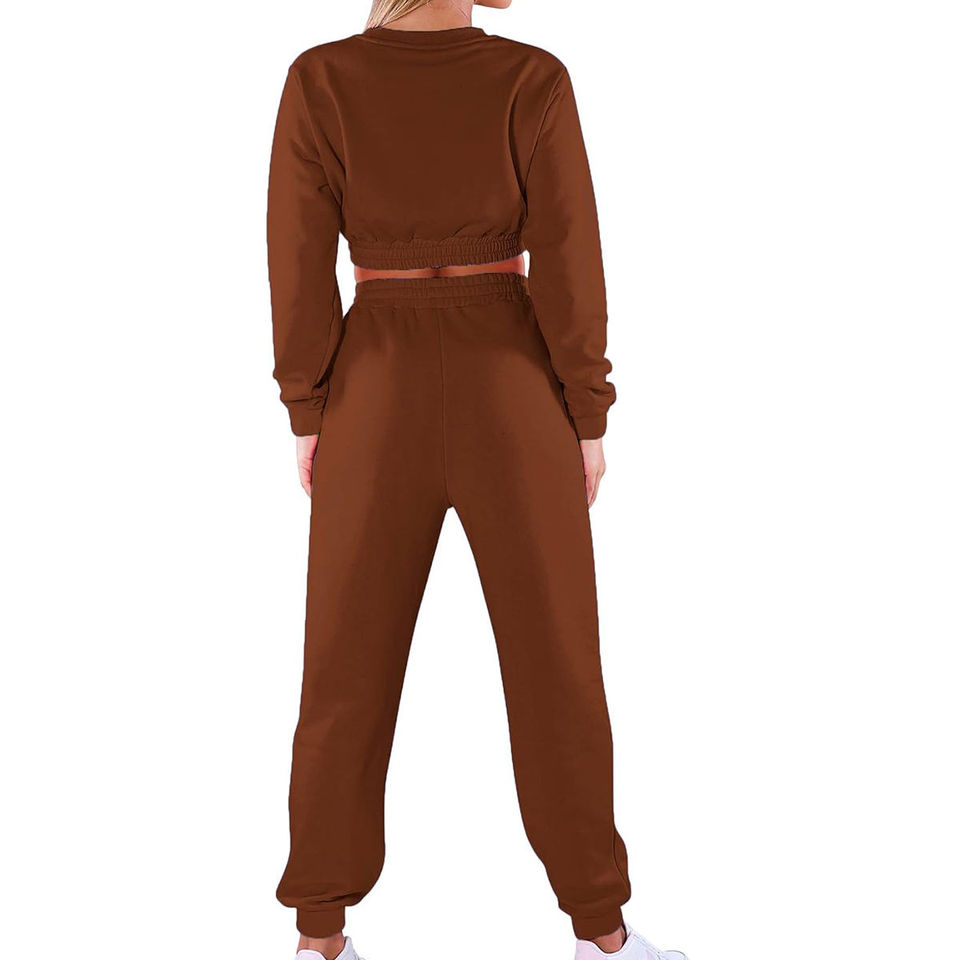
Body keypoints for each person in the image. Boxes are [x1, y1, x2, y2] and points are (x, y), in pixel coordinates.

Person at [267, 2, 687, 958]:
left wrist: (308, 404)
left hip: (373, 383)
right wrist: (586, 409)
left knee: (343, 667)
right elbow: (571, 253)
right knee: (557, 663)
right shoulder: (531, 78)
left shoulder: (320, 80)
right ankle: (603, 934)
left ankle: (319, 937)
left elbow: (297, 257)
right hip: (513, 380)